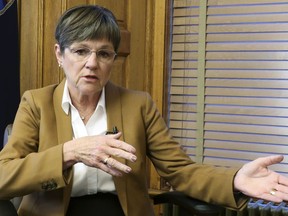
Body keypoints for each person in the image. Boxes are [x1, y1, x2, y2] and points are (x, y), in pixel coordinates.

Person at [0, 4, 288, 216]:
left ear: (113, 59)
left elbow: (180, 171)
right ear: (59, 55)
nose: (92, 63)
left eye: (103, 53)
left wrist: (235, 178)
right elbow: (4, 176)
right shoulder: (36, 102)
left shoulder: (138, 104)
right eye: (80, 51)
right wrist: (71, 152)